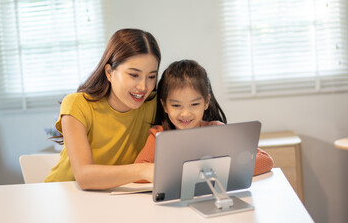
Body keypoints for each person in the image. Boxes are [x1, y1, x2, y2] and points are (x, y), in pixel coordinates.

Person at [44, 28, 161, 190]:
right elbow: (84, 177)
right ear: (109, 72)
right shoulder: (77, 105)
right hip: (62, 194)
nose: (143, 87)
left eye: (151, 77)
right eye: (134, 75)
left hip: (113, 197)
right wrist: (143, 170)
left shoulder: (154, 104)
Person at [135, 60, 273, 177]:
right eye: (176, 105)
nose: (185, 114)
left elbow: (265, 160)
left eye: (194, 104)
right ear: (164, 105)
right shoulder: (158, 135)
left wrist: (215, 171)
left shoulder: (216, 130)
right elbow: (138, 171)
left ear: (206, 102)